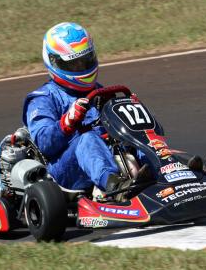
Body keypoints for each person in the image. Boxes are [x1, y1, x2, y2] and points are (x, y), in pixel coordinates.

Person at [22, 22, 148, 193]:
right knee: (87, 138)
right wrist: (66, 123)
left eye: (85, 61)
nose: (81, 68)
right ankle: (114, 186)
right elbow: (44, 143)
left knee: (138, 135)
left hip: (107, 151)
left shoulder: (98, 90)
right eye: (74, 64)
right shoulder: (43, 98)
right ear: (55, 62)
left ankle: (169, 171)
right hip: (65, 169)